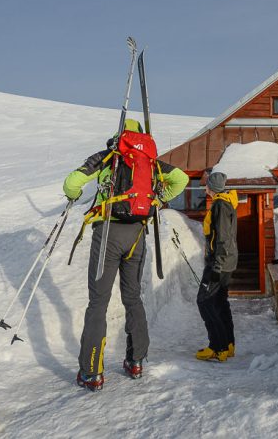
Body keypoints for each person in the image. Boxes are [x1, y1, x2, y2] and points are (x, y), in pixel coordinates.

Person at [64, 118, 189, 390]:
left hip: (108, 232)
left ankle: (91, 372)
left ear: (119, 135)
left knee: (98, 302)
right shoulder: (151, 162)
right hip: (137, 235)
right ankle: (136, 360)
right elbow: (182, 178)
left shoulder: (109, 156)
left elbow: (72, 182)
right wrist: (158, 199)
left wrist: (72, 195)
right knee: (133, 297)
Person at [195, 171, 238, 362]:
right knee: (220, 302)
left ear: (212, 187)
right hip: (227, 261)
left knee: (205, 302)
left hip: (219, 262)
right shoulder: (226, 202)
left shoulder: (220, 205)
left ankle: (217, 346)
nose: (204, 187)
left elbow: (223, 238)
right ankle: (228, 344)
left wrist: (217, 268)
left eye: (206, 185)